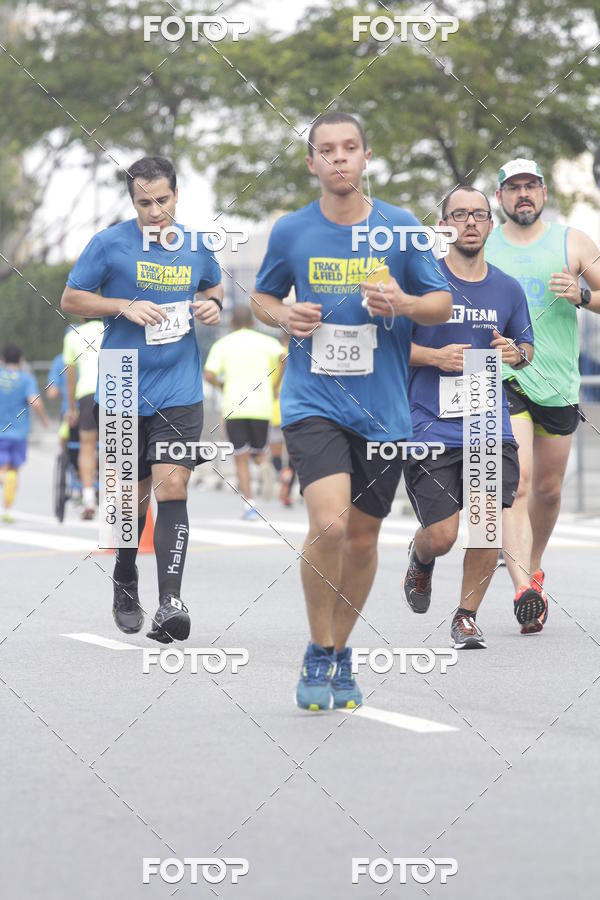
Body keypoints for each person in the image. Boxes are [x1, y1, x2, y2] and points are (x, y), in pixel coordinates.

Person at [252, 111, 452, 710]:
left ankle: (341, 650)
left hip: (383, 409)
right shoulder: (292, 231)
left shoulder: (402, 228)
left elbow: (441, 304)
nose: (338, 158)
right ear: (311, 162)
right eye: (327, 150)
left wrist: (404, 302)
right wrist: (284, 315)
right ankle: (318, 648)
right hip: (313, 399)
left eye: (349, 148)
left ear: (366, 157)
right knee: (330, 525)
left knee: (362, 540)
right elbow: (262, 296)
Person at [61, 155, 222, 643]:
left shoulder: (196, 244)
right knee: (130, 499)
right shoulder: (108, 243)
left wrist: (212, 306)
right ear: (132, 201)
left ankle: (170, 602)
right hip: (121, 382)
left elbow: (214, 288)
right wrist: (121, 305)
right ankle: (125, 574)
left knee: (173, 486)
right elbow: (71, 298)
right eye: (143, 203)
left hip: (179, 387)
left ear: (177, 194)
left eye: (162, 200)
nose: (154, 211)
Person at [403, 186, 534, 648]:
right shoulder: (422, 284)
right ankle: (421, 557)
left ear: (491, 224)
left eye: (479, 214)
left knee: (486, 525)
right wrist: (434, 357)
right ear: (443, 227)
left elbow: (525, 348)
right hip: (429, 423)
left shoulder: (507, 288)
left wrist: (515, 353)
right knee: (442, 535)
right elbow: (388, 348)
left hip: (487, 422)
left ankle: (466, 617)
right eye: (459, 215)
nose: (471, 222)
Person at [485, 159, 600, 633]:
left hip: (557, 382)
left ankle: (532, 568)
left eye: (530, 185)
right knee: (519, 479)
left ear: (544, 193)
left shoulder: (573, 242)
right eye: (513, 187)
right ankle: (521, 587)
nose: (523, 194)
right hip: (502, 377)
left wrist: (583, 295)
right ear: (500, 197)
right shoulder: (484, 243)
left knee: (549, 490)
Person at [204, 306, 284, 519]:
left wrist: (222, 385)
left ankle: (250, 505)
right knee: (259, 452)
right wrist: (275, 384)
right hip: (262, 406)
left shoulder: (222, 344)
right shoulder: (267, 341)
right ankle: (264, 465)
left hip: (235, 407)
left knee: (241, 457)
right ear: (252, 323)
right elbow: (284, 357)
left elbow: (209, 374)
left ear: (231, 324)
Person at [0, 344, 49, 522]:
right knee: (14, 471)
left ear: (2, 359)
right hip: (19, 433)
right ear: (21, 360)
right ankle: (7, 510)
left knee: (2, 469)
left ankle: (4, 480)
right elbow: (34, 401)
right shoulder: (26, 379)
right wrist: (44, 418)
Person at [63, 317, 104, 519]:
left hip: (87, 392)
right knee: (114, 446)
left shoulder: (72, 336)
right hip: (114, 389)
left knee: (87, 446)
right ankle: (112, 497)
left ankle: (88, 498)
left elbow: (70, 379)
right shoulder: (110, 327)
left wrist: (71, 409)